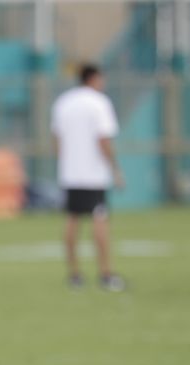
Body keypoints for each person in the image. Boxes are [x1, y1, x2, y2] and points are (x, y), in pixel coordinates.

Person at [51, 63, 126, 291]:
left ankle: (74, 274)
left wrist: (65, 162)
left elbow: (56, 139)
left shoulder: (63, 102)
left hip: (70, 172)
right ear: (93, 78)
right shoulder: (99, 103)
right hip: (93, 173)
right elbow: (103, 139)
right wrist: (115, 168)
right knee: (99, 219)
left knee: (72, 219)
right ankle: (105, 273)